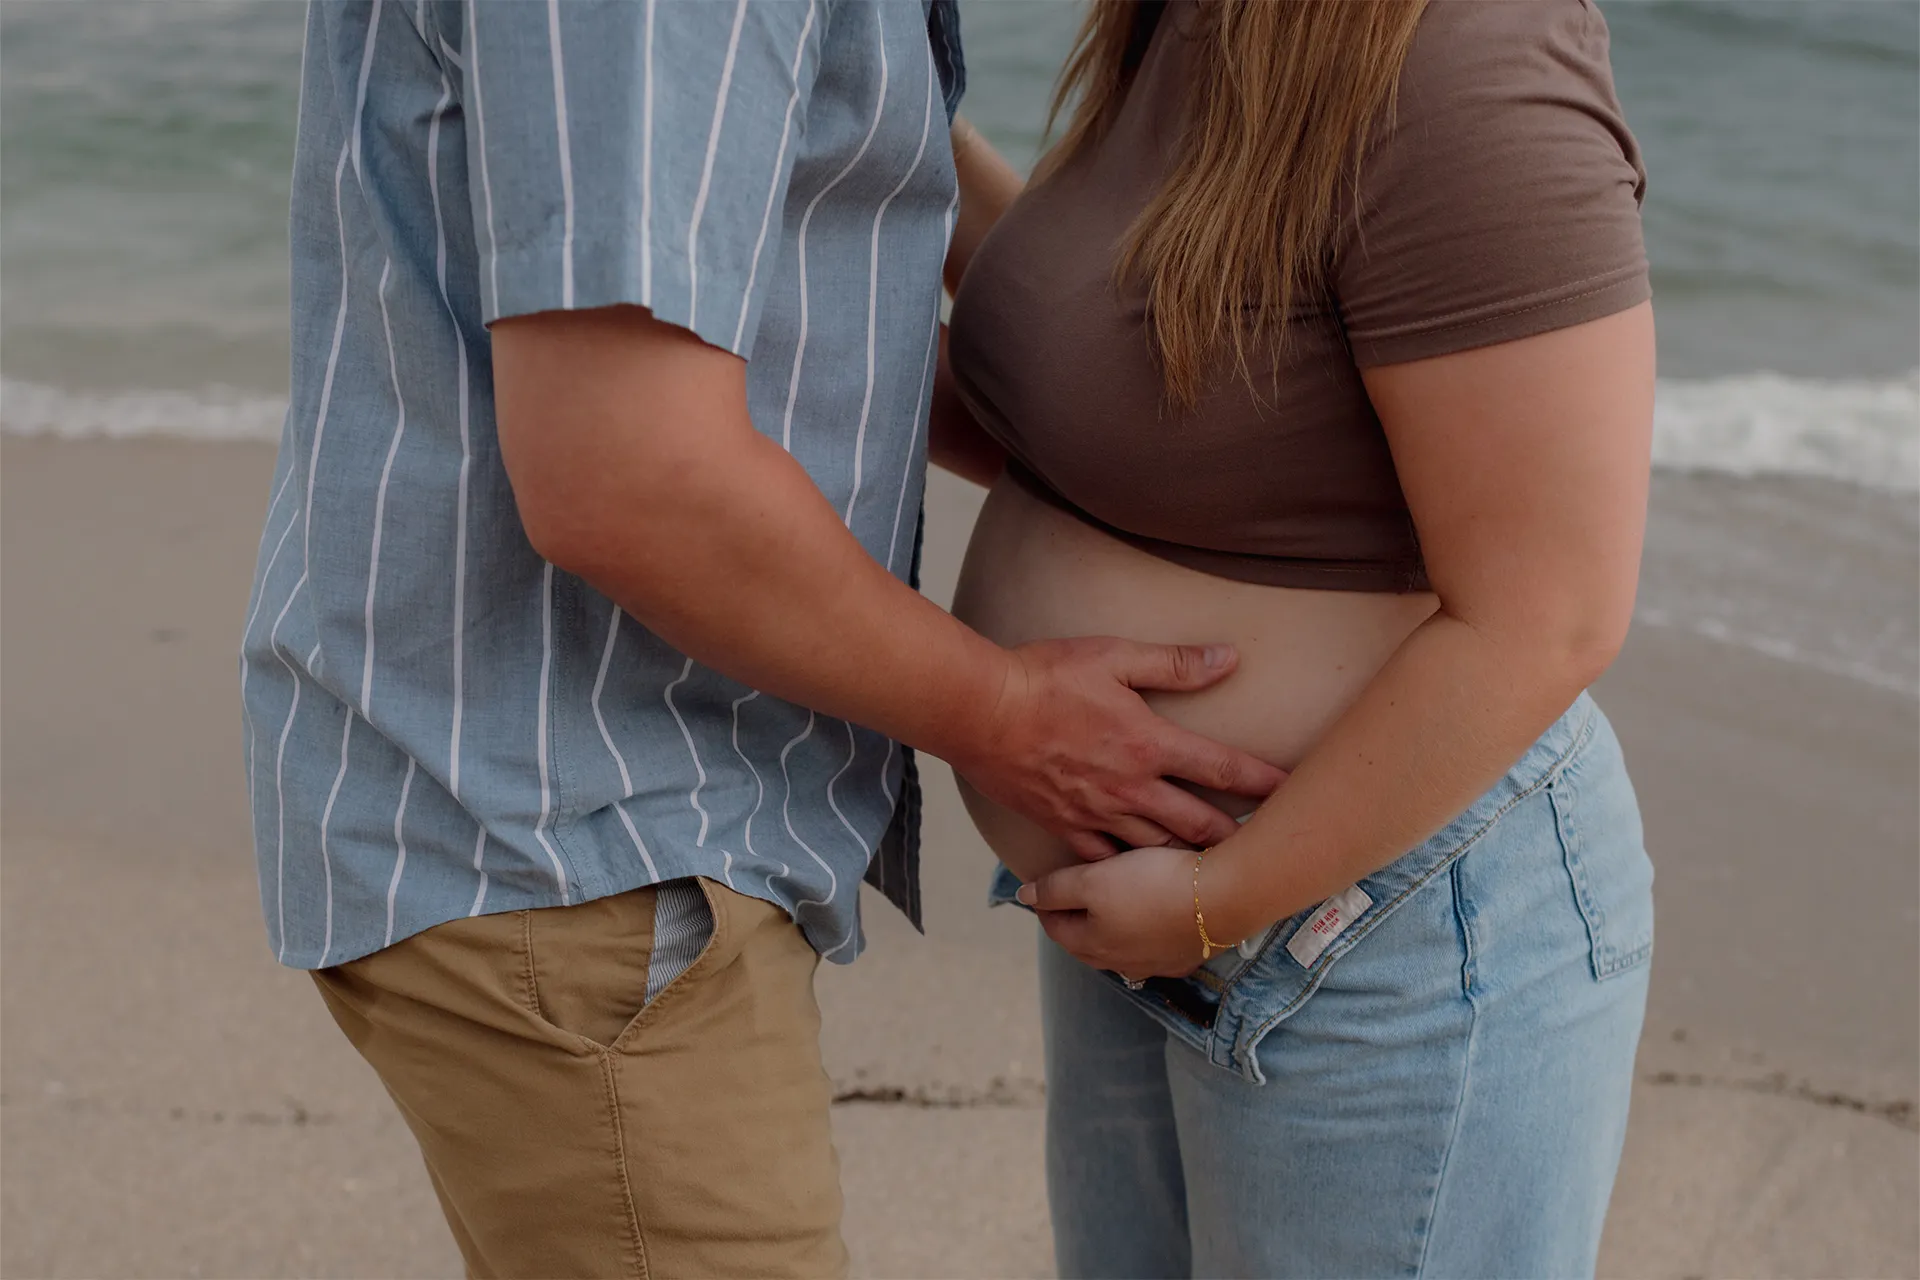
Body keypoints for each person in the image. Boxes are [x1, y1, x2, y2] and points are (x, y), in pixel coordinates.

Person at [238, 1, 1282, 1274]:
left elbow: (818, 253)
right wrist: (1006, 713)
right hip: (579, 829)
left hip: (579, 807)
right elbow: (626, 471)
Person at [936, 0, 1658, 1275]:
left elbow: (1553, 610)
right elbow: (1094, 377)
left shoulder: (1467, 54)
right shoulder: (1195, 20)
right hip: (1161, 912)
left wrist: (1220, 895)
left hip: (1377, 933)